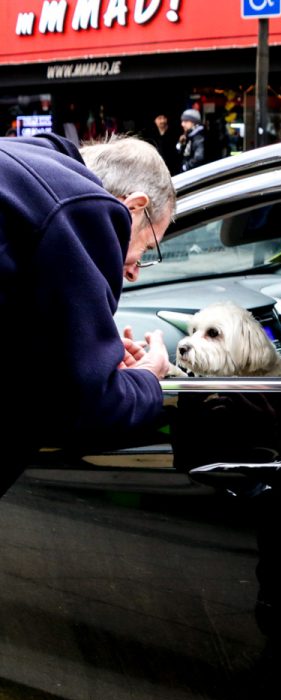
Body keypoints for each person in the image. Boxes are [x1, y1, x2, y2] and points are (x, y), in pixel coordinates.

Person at [0, 131, 175, 497]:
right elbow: (86, 406)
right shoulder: (79, 208)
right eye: (146, 248)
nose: (134, 271)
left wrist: (92, 352)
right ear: (135, 206)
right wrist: (148, 378)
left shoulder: (26, 170)